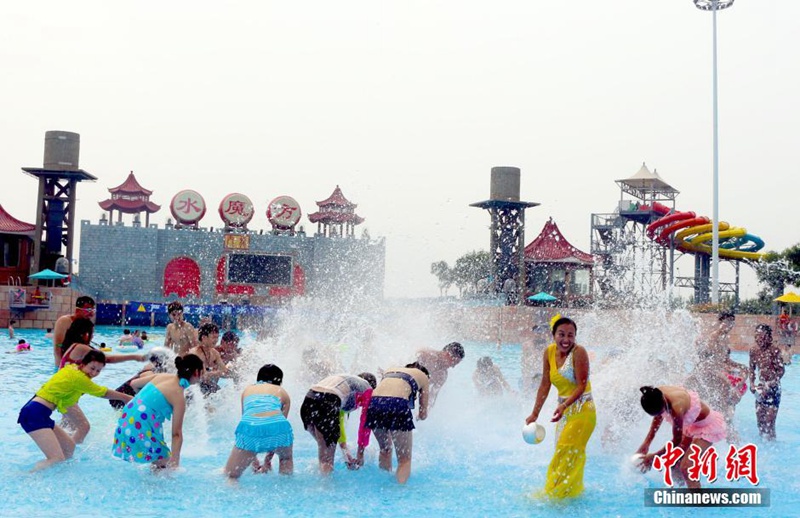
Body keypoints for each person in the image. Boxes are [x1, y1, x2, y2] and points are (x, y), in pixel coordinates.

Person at [17, 350, 132, 471]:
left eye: (98, 370)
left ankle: (60, 474)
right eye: (92, 368)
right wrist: (126, 398)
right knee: (55, 458)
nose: (94, 373)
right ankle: (28, 477)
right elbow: (102, 392)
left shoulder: (72, 368)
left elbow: (66, 397)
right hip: (34, 414)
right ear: (83, 364)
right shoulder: (79, 378)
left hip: (40, 413)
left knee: (69, 447)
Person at [524, 316, 596, 499]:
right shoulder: (548, 352)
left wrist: (564, 405)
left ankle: (556, 494)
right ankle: (566, 492)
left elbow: (581, 386)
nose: (566, 340)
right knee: (561, 451)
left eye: (570, 335)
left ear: (575, 337)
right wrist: (534, 413)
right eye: (561, 334)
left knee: (568, 450)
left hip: (583, 411)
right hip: (564, 412)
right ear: (554, 335)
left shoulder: (579, 353)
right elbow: (545, 384)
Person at [58, 319, 146, 443]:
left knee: (68, 426)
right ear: (85, 334)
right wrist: (134, 357)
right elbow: (106, 359)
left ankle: (62, 446)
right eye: (91, 333)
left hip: (66, 393)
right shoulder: (81, 348)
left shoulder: (72, 346)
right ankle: (69, 452)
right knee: (83, 427)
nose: (92, 336)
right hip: (66, 395)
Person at [112, 354, 204, 469]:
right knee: (164, 461)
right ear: (196, 372)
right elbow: (176, 434)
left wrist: (142, 406)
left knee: (159, 458)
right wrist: (175, 464)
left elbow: (134, 384)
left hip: (126, 418)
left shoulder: (163, 376)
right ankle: (153, 485)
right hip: (139, 425)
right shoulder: (178, 396)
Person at [635, 385, 726, 488]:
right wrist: (646, 443)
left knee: (686, 467)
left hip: (707, 427)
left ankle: (700, 501)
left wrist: (653, 456)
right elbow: (658, 414)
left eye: (661, 412)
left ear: (663, 402)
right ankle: (682, 490)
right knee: (674, 463)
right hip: (691, 427)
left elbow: (676, 440)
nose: (661, 415)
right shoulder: (655, 395)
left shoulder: (677, 407)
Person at [224, 364, 294, 479]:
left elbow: (249, 422)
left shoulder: (248, 390)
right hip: (281, 431)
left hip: (251, 430)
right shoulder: (282, 392)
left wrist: (253, 459)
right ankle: (286, 483)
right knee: (285, 458)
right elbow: (276, 424)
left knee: (231, 476)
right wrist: (267, 461)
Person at [365, 363, 429, 484]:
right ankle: (400, 491)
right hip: (397, 404)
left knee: (385, 450)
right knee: (404, 460)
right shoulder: (424, 377)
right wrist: (420, 417)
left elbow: (386, 394)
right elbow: (423, 413)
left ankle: (382, 483)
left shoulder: (390, 370)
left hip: (374, 403)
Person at [300, 372, 377, 474]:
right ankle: (326, 487)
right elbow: (365, 422)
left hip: (309, 399)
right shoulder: (368, 390)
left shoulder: (347, 382)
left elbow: (338, 421)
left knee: (324, 452)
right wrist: (360, 454)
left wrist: (346, 453)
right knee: (327, 459)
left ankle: (321, 481)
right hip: (327, 399)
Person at [749, 324, 786, 440]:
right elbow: (751, 369)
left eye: (762, 336)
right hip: (760, 389)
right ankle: (763, 449)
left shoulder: (774, 350)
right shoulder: (753, 350)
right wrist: (751, 383)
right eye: (757, 336)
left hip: (773, 389)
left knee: (769, 423)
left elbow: (781, 371)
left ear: (769, 337)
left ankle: (772, 445)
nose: (759, 339)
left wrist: (769, 384)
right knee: (760, 423)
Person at [109, 347, 174, 410]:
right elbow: (134, 385)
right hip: (121, 397)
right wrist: (140, 403)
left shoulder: (149, 367)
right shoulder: (150, 373)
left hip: (119, 394)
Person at [52, 296, 96, 370]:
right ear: (77, 310)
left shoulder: (89, 325)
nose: (91, 313)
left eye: (93, 310)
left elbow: (86, 345)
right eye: (88, 309)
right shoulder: (65, 321)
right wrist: (59, 367)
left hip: (80, 364)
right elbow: (58, 346)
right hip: (65, 363)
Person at [415, 341, 464, 406]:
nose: (453, 366)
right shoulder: (426, 354)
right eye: (454, 362)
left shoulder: (442, 375)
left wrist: (425, 412)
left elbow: (432, 398)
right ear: (448, 354)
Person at [188, 322, 230, 396]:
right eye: (213, 337)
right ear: (204, 338)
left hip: (204, 385)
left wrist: (211, 373)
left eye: (217, 337)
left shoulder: (214, 353)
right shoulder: (195, 353)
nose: (216, 340)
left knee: (224, 395)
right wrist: (216, 373)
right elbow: (203, 376)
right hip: (190, 387)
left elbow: (225, 371)